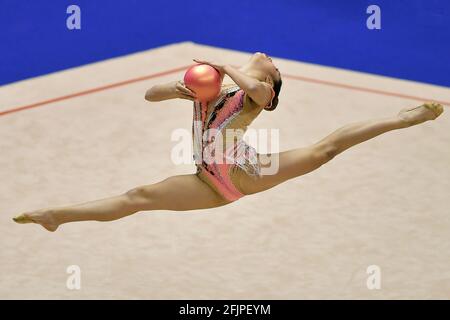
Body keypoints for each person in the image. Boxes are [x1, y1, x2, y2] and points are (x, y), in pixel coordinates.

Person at [13, 52, 444, 232]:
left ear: (271, 78)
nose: (266, 54)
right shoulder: (212, 88)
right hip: (208, 183)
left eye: (272, 63)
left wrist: (229, 68)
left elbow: (261, 94)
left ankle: (402, 119)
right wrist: (177, 89)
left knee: (323, 151)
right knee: (137, 197)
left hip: (246, 170)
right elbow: (149, 95)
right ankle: (56, 216)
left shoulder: (256, 96)